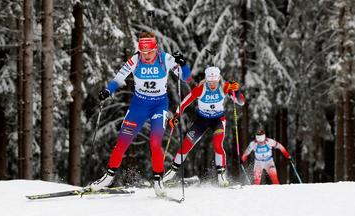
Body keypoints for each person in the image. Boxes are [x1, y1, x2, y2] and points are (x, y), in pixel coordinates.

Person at [89, 32, 191, 197]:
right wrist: (108, 90)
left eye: (149, 52)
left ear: (155, 49)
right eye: (143, 53)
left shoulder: (165, 58)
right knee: (122, 141)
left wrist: (183, 64)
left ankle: (158, 180)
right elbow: (118, 78)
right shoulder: (134, 60)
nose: (147, 56)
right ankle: (108, 178)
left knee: (155, 142)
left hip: (159, 105)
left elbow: (186, 77)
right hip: (139, 105)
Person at [163, 66, 245, 187]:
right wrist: (176, 115)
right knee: (186, 144)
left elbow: (241, 102)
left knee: (217, 144)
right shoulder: (201, 89)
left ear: (219, 79)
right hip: (202, 120)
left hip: (218, 120)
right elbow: (184, 102)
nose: (212, 85)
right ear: (206, 80)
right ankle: (172, 172)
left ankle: (221, 176)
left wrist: (237, 91)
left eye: (215, 82)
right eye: (210, 82)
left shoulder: (225, 86)